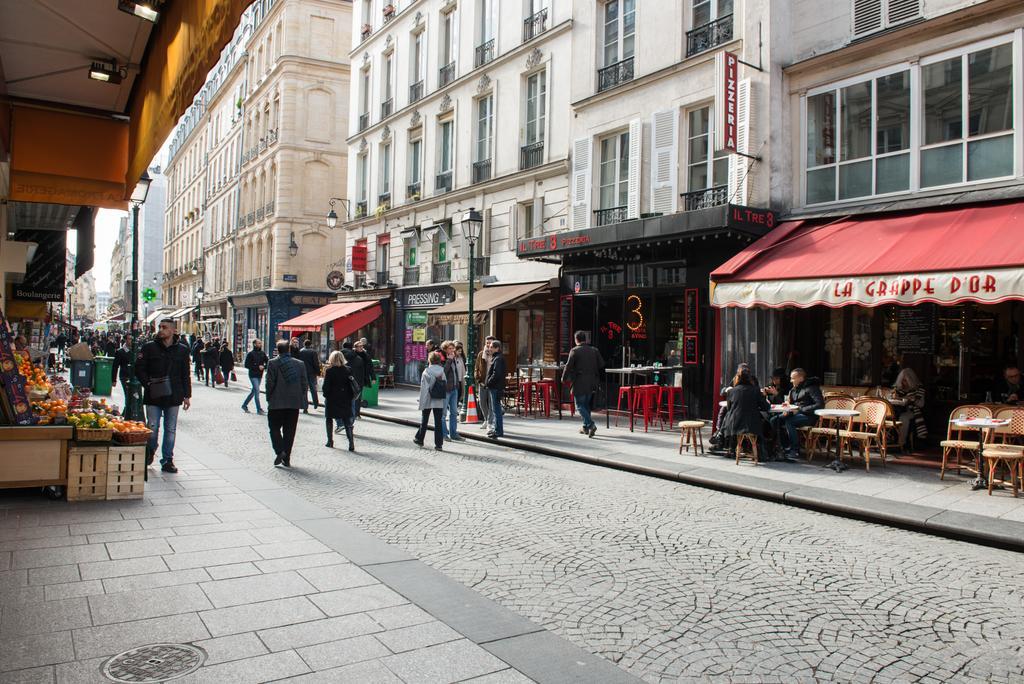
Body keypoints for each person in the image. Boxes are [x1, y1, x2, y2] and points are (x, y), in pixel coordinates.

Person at [134, 318, 192, 473]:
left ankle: (167, 460)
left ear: (173, 330)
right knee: (152, 428)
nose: (161, 329)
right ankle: (151, 450)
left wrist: (187, 395)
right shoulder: (149, 347)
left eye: (164, 327)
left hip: (174, 395)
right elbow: (139, 369)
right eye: (159, 327)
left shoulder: (182, 349)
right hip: (154, 395)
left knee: (170, 429)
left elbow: (185, 374)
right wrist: (149, 384)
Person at [265, 339, 308, 467]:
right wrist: (300, 396)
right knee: (290, 431)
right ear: (289, 350)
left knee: (274, 428)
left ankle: (280, 451)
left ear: (278, 350)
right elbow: (304, 383)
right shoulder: (300, 364)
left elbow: (270, 383)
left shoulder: (273, 363)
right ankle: (287, 458)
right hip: (293, 403)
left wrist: (269, 397)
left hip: (276, 402)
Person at [770, 368, 824, 461]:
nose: (791, 381)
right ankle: (785, 446)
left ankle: (795, 449)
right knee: (774, 420)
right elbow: (791, 403)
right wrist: (787, 406)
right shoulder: (794, 390)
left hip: (809, 416)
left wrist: (800, 410)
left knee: (789, 421)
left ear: (801, 378)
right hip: (795, 414)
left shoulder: (812, 388)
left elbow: (820, 404)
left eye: (793, 378)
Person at [562, 331, 604, 438]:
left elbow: (568, 366)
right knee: (586, 405)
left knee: (579, 406)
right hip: (592, 382)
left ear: (576, 339)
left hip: (579, 382)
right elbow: (601, 364)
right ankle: (585, 428)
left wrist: (563, 378)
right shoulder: (594, 350)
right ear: (585, 339)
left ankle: (591, 424)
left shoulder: (574, 351)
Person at [720, 368, 770, 453]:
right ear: (750, 378)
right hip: (752, 425)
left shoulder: (732, 391)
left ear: (738, 378)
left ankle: (732, 447)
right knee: (766, 423)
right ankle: (759, 450)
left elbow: (729, 408)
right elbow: (766, 407)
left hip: (734, 425)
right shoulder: (756, 390)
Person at [322, 350, 356, 451]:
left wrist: (326, 395)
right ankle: (351, 443)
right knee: (347, 421)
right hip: (345, 398)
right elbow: (351, 385)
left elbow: (326, 387)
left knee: (329, 419)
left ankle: (330, 441)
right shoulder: (348, 370)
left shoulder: (329, 371)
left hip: (332, 398)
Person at [414, 350, 447, 451]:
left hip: (428, 398)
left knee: (424, 420)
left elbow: (424, 389)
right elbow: (444, 384)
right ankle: (439, 444)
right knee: (438, 422)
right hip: (438, 399)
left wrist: (421, 402)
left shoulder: (426, 371)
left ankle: (420, 439)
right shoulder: (442, 371)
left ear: (430, 360)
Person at [891, 368, 927, 450]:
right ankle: (888, 440)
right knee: (888, 417)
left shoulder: (919, 390)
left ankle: (901, 442)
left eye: (906, 380)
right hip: (897, 410)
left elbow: (921, 404)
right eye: (903, 380)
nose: (904, 383)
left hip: (912, 410)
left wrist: (913, 399)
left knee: (903, 418)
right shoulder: (897, 390)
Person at [439, 341, 463, 441]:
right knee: (443, 413)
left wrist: (457, 384)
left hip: (454, 389)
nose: (453, 350)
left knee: (454, 412)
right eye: (450, 348)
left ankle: (454, 433)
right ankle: (444, 434)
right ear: (445, 349)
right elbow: (443, 373)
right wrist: (449, 360)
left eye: (453, 349)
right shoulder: (442, 358)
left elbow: (455, 373)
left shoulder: (453, 359)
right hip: (445, 390)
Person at [484, 340, 506, 439]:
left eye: (492, 347)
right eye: (490, 347)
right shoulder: (498, 357)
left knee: (496, 410)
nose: (490, 348)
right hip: (496, 387)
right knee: (495, 410)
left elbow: (496, 374)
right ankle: (497, 430)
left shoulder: (498, 358)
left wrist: (488, 382)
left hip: (495, 387)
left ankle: (498, 431)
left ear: (497, 348)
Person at [474, 336, 496, 430]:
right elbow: (476, 368)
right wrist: (479, 380)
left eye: (490, 343)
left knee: (491, 404)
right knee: (482, 402)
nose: (488, 345)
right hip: (482, 382)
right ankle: (486, 419)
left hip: (492, 383)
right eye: (487, 343)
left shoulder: (496, 355)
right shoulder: (481, 354)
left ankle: (490, 422)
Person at [242, 339, 268, 414]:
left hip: (259, 375)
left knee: (253, 391)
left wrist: (264, 367)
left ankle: (244, 405)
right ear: (254, 344)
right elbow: (246, 365)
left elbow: (268, 362)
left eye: (260, 343)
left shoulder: (263, 353)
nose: (260, 344)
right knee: (257, 391)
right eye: (259, 343)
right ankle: (258, 409)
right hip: (253, 375)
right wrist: (257, 367)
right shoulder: (250, 354)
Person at [341, 341, 365, 419]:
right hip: (356, 380)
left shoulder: (339, 357)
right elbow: (362, 372)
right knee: (356, 398)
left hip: (343, 380)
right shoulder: (358, 358)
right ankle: (356, 414)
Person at [298, 339, 322, 411]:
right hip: (312, 372)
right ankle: (315, 403)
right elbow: (315, 362)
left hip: (303, 372)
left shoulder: (301, 351)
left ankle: (305, 407)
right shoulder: (313, 352)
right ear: (310, 345)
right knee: (313, 388)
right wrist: (318, 372)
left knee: (304, 389)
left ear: (304, 344)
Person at [353, 339, 375, 418]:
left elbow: (370, 367)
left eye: (362, 346)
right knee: (352, 396)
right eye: (360, 346)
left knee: (358, 396)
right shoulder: (352, 355)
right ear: (355, 347)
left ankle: (357, 413)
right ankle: (352, 412)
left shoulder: (366, 355)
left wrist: (373, 378)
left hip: (361, 378)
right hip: (353, 378)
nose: (361, 348)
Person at [111, 335, 133, 408]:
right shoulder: (120, 352)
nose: (131, 341)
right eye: (129, 339)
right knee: (128, 395)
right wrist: (113, 380)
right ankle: (127, 413)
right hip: (125, 376)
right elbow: (115, 366)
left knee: (134, 396)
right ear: (125, 340)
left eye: (132, 339)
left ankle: (127, 412)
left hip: (134, 376)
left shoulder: (135, 350)